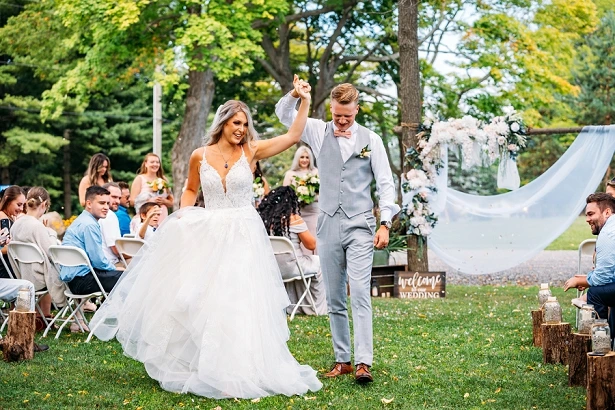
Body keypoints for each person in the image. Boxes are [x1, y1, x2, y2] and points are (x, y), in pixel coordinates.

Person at [90, 78, 321, 399]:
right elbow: (189, 189)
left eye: (245, 124)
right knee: (205, 295)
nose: (241, 128)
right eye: (235, 123)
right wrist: (184, 214)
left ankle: (242, 365)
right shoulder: (200, 155)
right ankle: (204, 361)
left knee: (239, 296)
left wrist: (303, 99)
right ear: (223, 122)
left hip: (243, 232)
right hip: (210, 230)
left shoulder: (251, 150)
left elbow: (293, 134)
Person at [276, 79, 400, 383]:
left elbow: (385, 184)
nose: (342, 120)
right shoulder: (318, 130)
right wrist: (296, 94)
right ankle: (342, 359)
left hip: (360, 224)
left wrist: (385, 223)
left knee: (359, 291)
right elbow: (284, 115)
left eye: (347, 115)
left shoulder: (372, 139)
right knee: (333, 297)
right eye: (337, 115)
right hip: (328, 224)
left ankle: (363, 362)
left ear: (357, 109)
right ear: (331, 109)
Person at [258, 186, 327, 315]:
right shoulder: (294, 219)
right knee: (321, 263)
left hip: (273, 269)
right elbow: (311, 245)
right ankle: (317, 307)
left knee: (300, 263)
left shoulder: (264, 221)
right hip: (294, 267)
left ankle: (290, 305)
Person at [564, 192, 615, 346]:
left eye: (591, 214)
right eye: (586, 215)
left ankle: (602, 343)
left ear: (607, 212)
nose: (587, 219)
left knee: (595, 294)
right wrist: (587, 279)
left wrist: (581, 280)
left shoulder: (608, 234)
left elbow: (603, 278)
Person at [10, 187, 66, 320]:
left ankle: (42, 317)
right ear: (44, 205)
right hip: (39, 277)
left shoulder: (15, 225)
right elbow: (52, 253)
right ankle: (78, 315)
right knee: (70, 273)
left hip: (22, 274)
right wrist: (50, 232)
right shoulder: (37, 226)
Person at [60, 186, 123, 301]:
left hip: (73, 280)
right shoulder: (89, 225)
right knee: (129, 277)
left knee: (124, 275)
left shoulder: (80, 220)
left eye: (107, 203)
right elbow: (98, 261)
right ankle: (123, 316)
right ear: (89, 204)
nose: (106, 207)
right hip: (83, 281)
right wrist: (114, 268)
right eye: (101, 203)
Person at [283, 146, 319, 254]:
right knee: (301, 239)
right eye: (302, 157)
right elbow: (285, 195)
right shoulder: (290, 174)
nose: (304, 160)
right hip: (298, 213)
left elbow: (322, 193)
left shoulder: (316, 172)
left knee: (315, 238)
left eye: (307, 157)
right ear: (297, 158)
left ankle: (318, 267)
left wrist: (310, 197)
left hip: (313, 212)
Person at [130, 153, 173, 224]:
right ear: (146, 164)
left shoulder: (164, 179)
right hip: (147, 215)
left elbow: (172, 202)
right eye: (152, 162)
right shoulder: (140, 179)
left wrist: (164, 201)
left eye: (157, 162)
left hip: (162, 214)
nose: (155, 164)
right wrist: (149, 201)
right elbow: (132, 201)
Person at [0, 186, 26, 279]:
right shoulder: (3, 217)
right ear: (7, 200)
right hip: (6, 269)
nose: (22, 208)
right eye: (19, 204)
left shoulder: (8, 216)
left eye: (23, 205)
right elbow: (3, 248)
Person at [98, 182, 125, 268]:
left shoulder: (97, 213)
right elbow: (116, 250)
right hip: (110, 265)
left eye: (119, 198)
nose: (117, 201)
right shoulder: (109, 215)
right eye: (114, 197)